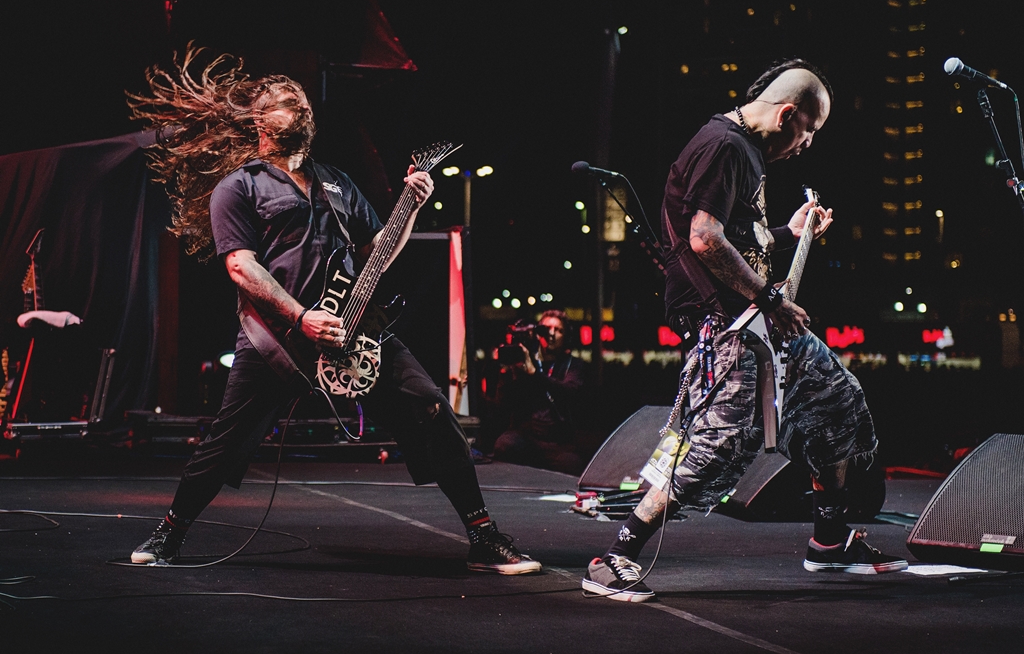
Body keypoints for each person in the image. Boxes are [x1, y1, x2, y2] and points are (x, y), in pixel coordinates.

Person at [126, 47, 541, 575]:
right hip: (277, 337)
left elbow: (378, 255)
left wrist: (409, 206)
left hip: (356, 329)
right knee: (226, 441)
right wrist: (300, 316)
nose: (300, 107)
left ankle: (483, 536)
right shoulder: (240, 186)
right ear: (260, 120)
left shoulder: (336, 181)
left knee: (434, 409)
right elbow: (241, 267)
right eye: (286, 102)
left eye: (302, 102)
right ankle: (171, 532)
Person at [582, 59, 906, 602]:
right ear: (787, 115)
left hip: (756, 316)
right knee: (722, 443)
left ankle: (828, 543)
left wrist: (788, 231)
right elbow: (705, 239)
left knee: (837, 403)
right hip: (727, 321)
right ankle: (614, 555)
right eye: (808, 131)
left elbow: (739, 236)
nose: (806, 146)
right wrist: (769, 298)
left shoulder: (745, 151)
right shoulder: (724, 146)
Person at [490, 309, 587, 474]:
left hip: (557, 442)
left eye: (558, 330)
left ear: (566, 337)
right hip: (526, 436)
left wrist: (535, 374)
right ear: (537, 334)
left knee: (572, 465)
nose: (551, 333)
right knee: (505, 445)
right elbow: (501, 404)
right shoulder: (524, 361)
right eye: (546, 328)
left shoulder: (573, 365)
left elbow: (568, 392)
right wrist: (507, 373)